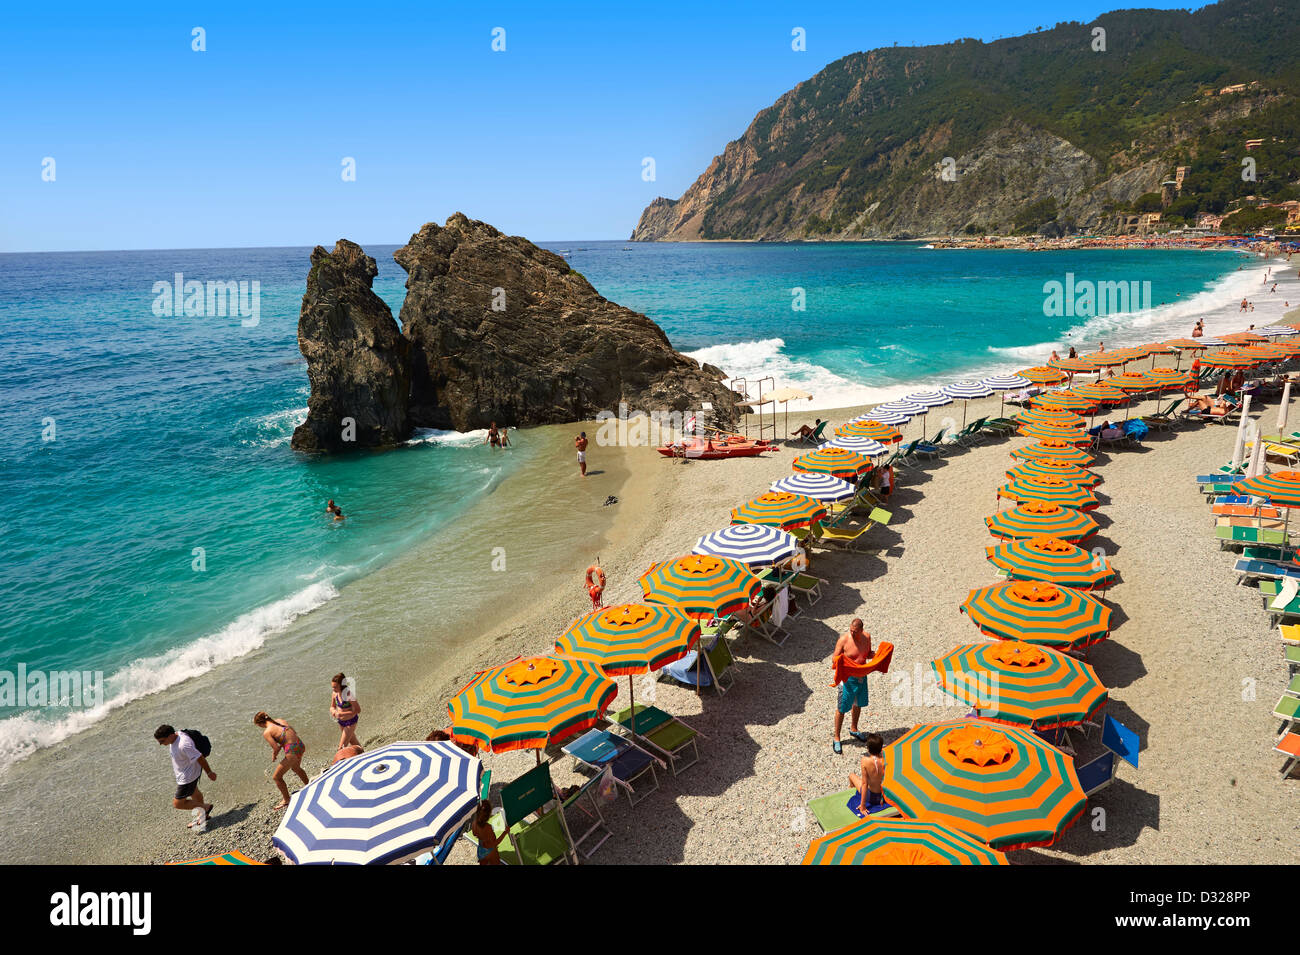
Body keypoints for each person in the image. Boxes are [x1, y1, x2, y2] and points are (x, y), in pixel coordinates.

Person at [154, 724, 215, 831]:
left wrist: (209, 772)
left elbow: (200, 757)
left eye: (162, 741)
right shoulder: (178, 735)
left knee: (178, 803)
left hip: (187, 777)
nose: (160, 744)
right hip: (188, 773)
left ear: (171, 735)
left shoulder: (184, 744)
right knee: (194, 793)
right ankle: (203, 816)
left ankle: (205, 808)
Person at [831, 619, 874, 754]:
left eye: (855, 631)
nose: (852, 633)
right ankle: (837, 737)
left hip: (861, 676)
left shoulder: (866, 637)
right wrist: (845, 662)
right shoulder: (844, 640)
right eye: (851, 630)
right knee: (842, 707)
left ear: (861, 630)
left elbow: (868, 653)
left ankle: (854, 729)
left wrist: (878, 656)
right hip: (847, 679)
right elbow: (834, 658)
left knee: (858, 704)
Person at [254, 712, 308, 809]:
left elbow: (276, 748)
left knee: (276, 777)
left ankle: (287, 800)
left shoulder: (267, 732)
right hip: (299, 744)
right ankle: (309, 785)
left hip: (292, 750)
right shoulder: (280, 720)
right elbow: (293, 732)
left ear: (260, 724)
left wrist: (274, 756)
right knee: (296, 768)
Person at [848, 733, 887, 812]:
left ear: (868, 748)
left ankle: (850, 789)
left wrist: (863, 805)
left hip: (870, 797)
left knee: (851, 775)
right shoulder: (885, 759)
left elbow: (864, 784)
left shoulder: (865, 761)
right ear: (881, 748)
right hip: (884, 796)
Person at [330, 673, 361, 751]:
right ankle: (364, 755)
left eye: (335, 687)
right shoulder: (334, 694)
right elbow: (332, 707)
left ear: (341, 685)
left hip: (350, 722)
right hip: (341, 722)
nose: (333, 689)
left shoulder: (348, 694)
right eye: (332, 687)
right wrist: (333, 711)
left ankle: (339, 761)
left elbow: (358, 710)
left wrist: (341, 714)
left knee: (341, 748)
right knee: (354, 743)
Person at [469, 800, 504, 865]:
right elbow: (494, 843)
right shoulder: (488, 827)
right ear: (488, 814)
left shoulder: (474, 823)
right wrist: (505, 833)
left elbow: (474, 834)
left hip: (481, 851)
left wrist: (481, 837)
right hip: (491, 852)